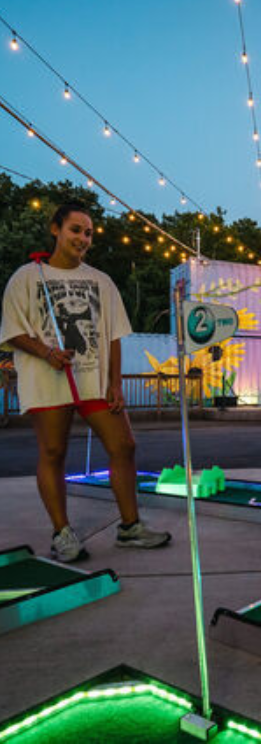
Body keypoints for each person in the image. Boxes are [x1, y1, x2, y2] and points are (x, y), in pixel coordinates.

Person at [0, 201, 171, 562]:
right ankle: (62, 533)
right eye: (75, 230)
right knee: (53, 452)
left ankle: (130, 528)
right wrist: (47, 353)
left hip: (92, 378)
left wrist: (116, 384)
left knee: (124, 445)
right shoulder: (27, 277)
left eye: (89, 233)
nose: (83, 238)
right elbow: (12, 331)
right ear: (56, 230)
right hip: (49, 377)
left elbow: (113, 335)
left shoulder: (101, 281)